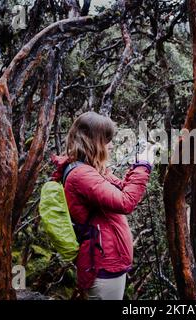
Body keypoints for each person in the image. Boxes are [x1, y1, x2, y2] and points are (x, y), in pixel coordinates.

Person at [50, 111, 154, 300]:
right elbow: (125, 202)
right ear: (94, 141)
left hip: (106, 259)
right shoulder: (82, 175)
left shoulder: (91, 169)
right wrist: (143, 166)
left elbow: (121, 190)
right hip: (103, 263)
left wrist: (137, 165)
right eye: (107, 140)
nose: (111, 146)